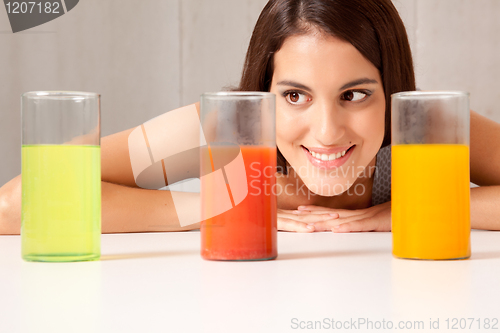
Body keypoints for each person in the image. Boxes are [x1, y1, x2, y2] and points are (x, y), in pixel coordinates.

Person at [1, 0, 500, 235]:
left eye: (354, 95)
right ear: (261, 96)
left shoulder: (428, 125)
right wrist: (226, 205)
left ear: (393, 93)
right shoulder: (224, 129)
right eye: (295, 96)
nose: (326, 131)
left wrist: (399, 214)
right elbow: (22, 200)